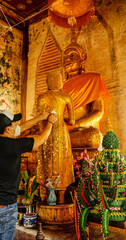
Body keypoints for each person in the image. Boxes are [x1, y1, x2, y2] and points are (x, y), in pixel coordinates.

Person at [0, 109, 57, 240]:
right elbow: (42, 139)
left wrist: (40, 117)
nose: (17, 125)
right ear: (8, 130)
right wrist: (50, 122)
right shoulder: (14, 146)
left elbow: (20, 128)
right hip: (3, 209)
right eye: (14, 123)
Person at [62, 38, 110, 147]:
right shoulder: (61, 87)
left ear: (82, 59)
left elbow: (98, 111)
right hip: (60, 130)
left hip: (79, 129)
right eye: (64, 58)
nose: (67, 60)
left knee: (92, 137)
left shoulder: (93, 79)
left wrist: (75, 124)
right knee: (28, 137)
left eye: (72, 56)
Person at [36, 70, 75, 204]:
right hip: (62, 132)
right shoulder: (66, 97)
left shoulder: (41, 97)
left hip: (47, 132)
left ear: (47, 82)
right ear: (61, 82)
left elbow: (40, 121)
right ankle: (62, 198)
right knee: (62, 161)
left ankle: (47, 197)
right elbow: (72, 121)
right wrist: (61, 118)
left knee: (48, 161)